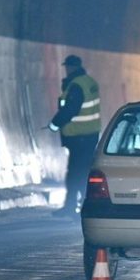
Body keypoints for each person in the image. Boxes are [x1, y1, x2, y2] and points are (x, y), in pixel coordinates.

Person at [48, 55, 101, 217]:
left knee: (75, 172)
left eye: (68, 67)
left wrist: (54, 124)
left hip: (79, 136)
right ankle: (85, 204)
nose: (67, 69)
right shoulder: (90, 82)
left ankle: (72, 206)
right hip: (90, 134)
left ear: (71, 67)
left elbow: (71, 109)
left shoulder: (76, 85)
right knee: (83, 171)